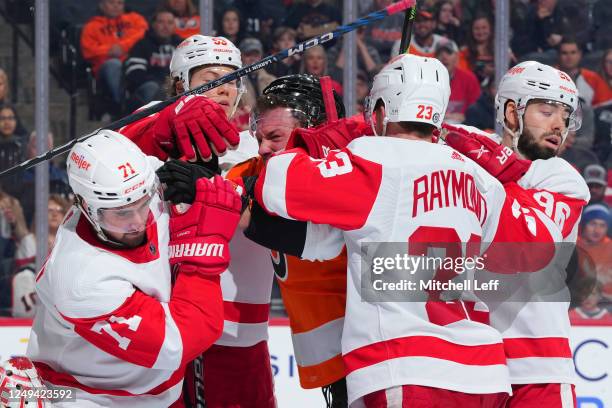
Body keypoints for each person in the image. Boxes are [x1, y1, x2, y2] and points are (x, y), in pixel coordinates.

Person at [251, 54, 563, 407]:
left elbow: (276, 184)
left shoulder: (371, 160)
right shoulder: (480, 179)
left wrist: (326, 139)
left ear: (381, 110)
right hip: (483, 373)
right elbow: (537, 248)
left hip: (404, 367)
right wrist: (514, 181)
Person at [26, 130, 241, 406]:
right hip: (86, 397)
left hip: (153, 392)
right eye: (123, 214)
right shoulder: (81, 280)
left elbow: (146, 163)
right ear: (85, 207)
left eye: (143, 205)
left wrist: (168, 125)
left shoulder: (133, 184)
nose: (139, 221)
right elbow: (180, 342)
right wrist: (204, 247)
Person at [120, 34, 275, 408]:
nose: (223, 90)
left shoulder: (257, 147)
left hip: (239, 334)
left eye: (231, 79)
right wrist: (167, 118)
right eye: (210, 79)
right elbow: (110, 148)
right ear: (180, 85)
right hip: (163, 328)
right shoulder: (152, 134)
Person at [443, 60, 590, 407]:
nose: (560, 124)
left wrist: (478, 164)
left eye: (565, 115)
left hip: (538, 366)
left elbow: (522, 245)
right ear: (511, 111)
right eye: (547, 110)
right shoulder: (471, 148)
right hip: (469, 360)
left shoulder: (564, 180)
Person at [80, 0, 148, 105]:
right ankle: (122, 105)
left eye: (119, 3)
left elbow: (143, 33)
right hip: (105, 69)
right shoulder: (91, 26)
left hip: (133, 63)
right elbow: (88, 51)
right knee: (114, 64)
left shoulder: (135, 19)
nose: (116, 6)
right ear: (102, 5)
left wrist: (123, 46)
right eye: (111, 3)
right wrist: (109, 51)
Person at [124, 10, 182, 113]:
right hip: (150, 88)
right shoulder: (142, 45)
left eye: (170, 22)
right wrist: (162, 83)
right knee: (152, 87)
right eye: (161, 22)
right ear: (153, 24)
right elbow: (135, 74)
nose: (165, 26)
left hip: (176, 86)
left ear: (174, 26)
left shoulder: (182, 45)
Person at [557, 38, 612, 108]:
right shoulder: (548, 75)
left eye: (573, 52)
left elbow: (604, 105)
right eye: (564, 53)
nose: (569, 57)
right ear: (558, 55)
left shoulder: (593, 78)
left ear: (580, 54)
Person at [435, 38, 480, 124]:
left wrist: (466, 116)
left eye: (449, 53)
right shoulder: (427, 79)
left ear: (456, 57)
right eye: (439, 53)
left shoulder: (469, 78)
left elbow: (477, 111)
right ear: (435, 58)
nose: (444, 57)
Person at [577, 204, 612, 303]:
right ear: (584, 224)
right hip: (578, 301)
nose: (597, 230)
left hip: (607, 302)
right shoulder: (572, 246)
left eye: (602, 225)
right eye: (593, 224)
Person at [239, 37, 277, 109]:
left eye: (256, 55)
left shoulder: (272, 81)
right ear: (241, 57)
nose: (252, 59)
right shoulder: (235, 82)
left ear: (261, 57)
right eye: (248, 55)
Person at [457, 14, 495, 85]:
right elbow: (462, 76)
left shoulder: (500, 51)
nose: (480, 32)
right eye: (477, 28)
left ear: (490, 29)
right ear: (471, 31)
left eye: (484, 28)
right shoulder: (464, 52)